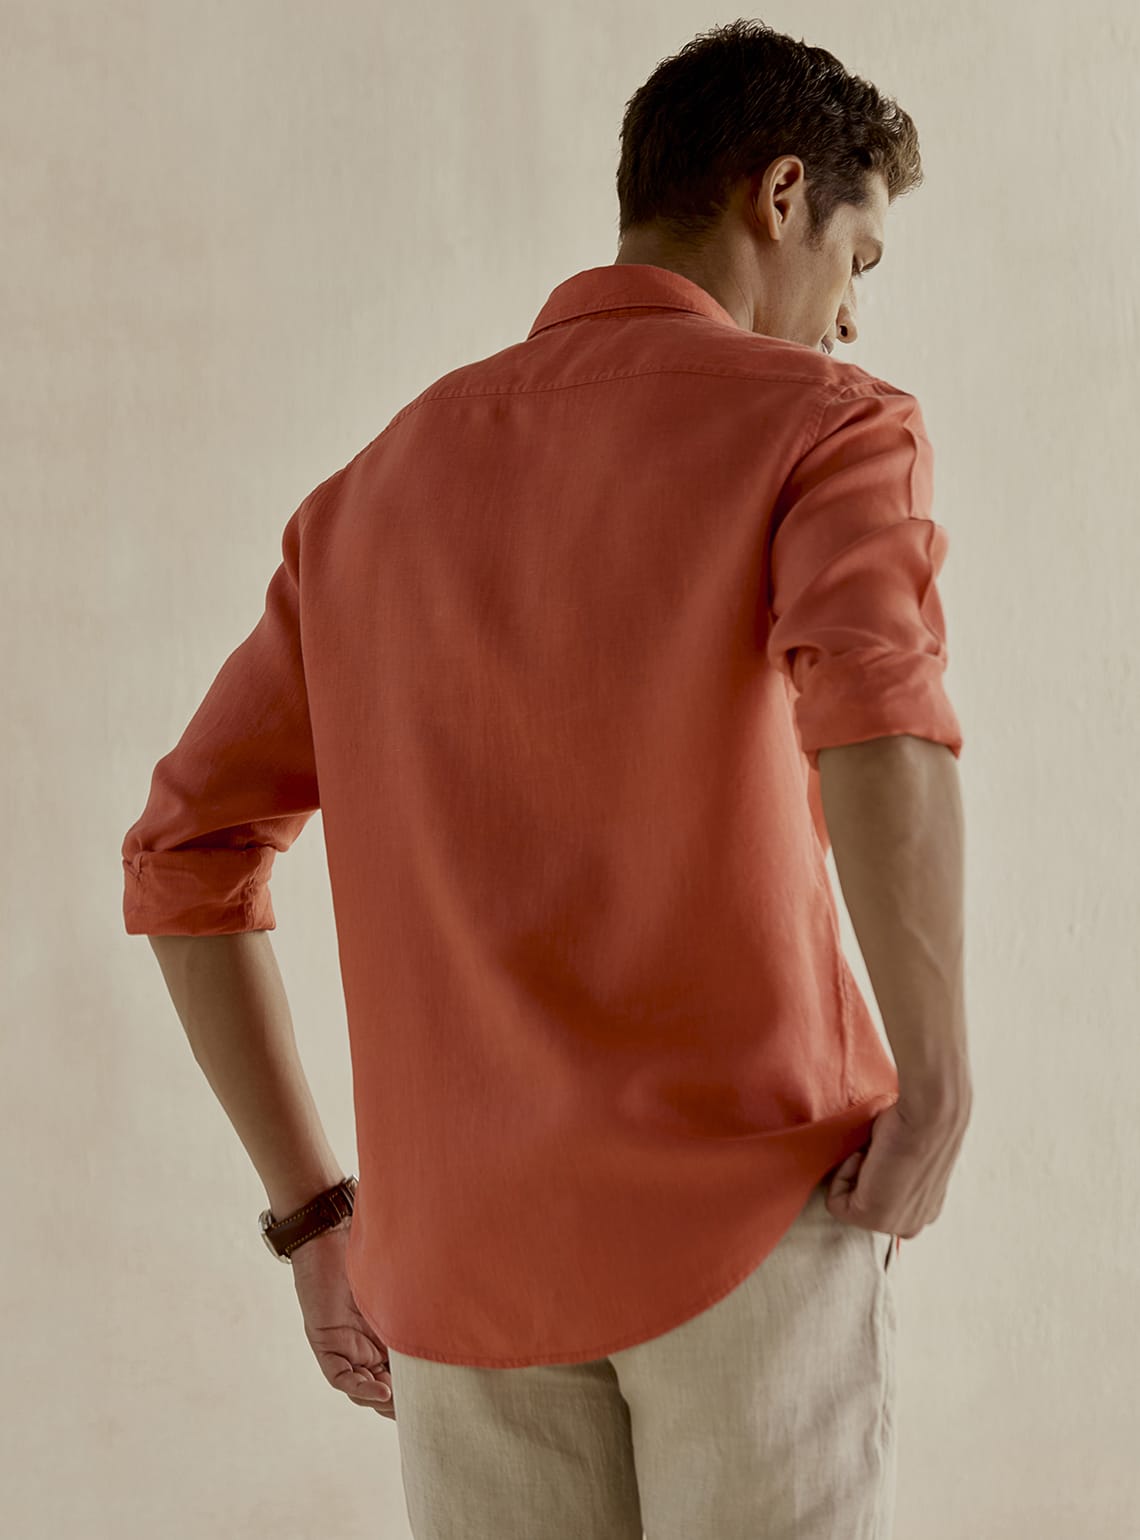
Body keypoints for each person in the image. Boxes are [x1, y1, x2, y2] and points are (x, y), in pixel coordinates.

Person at [123, 18, 972, 1539]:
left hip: (465, 1273)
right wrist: (942, 1084)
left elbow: (184, 852)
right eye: (860, 259)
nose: (850, 318)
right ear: (781, 192)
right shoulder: (825, 425)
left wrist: (316, 1219)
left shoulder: (369, 496)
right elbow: (880, 720)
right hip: (747, 1213)